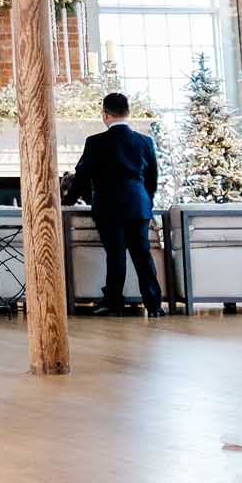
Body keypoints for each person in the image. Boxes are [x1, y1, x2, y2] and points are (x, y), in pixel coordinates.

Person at [69, 91, 165, 317]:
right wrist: (146, 203)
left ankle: (113, 304)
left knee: (116, 255)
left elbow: (82, 177)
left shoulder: (95, 142)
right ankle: (154, 305)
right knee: (143, 256)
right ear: (127, 113)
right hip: (138, 206)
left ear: (105, 115)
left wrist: (68, 201)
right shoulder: (145, 142)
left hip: (108, 207)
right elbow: (152, 179)